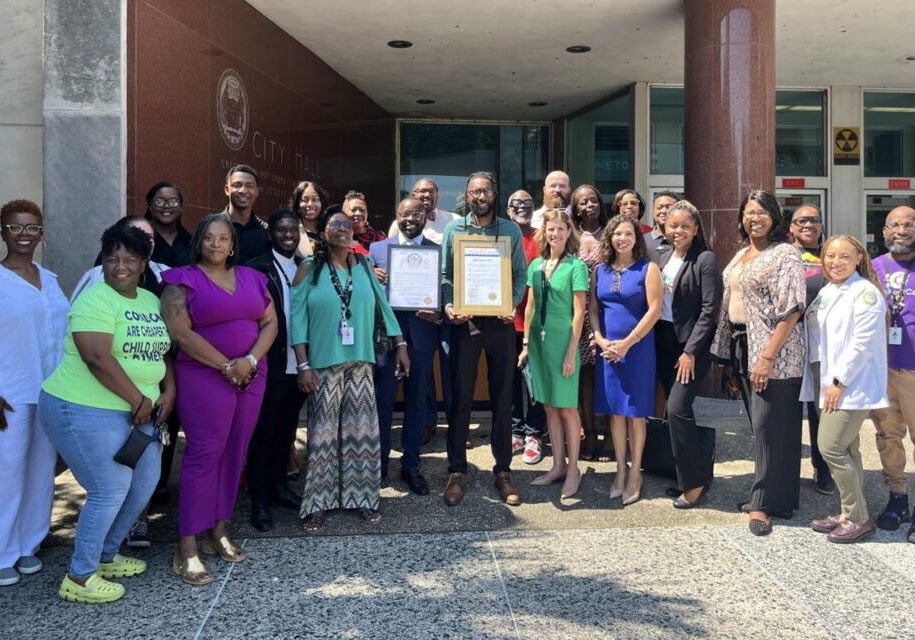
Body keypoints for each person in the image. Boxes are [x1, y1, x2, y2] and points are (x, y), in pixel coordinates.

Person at [39, 224, 173, 603]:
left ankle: (106, 555)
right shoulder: (94, 300)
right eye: (112, 259)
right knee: (109, 488)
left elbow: (160, 351)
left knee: (144, 482)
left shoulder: (148, 300)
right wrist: (138, 400)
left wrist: (169, 389)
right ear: (103, 263)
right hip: (82, 408)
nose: (120, 267)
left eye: (129, 259)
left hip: (136, 412)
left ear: (143, 263)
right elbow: (96, 357)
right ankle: (80, 576)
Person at [160, 213, 277, 585]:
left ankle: (219, 530)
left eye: (223, 238)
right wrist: (228, 365)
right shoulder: (181, 281)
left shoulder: (254, 278)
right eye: (209, 238)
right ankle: (187, 548)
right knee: (204, 455)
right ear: (199, 242)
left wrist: (250, 361)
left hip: (252, 376)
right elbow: (180, 332)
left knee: (235, 452)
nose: (215, 244)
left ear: (232, 244)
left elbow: (270, 322)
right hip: (204, 377)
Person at [291, 207, 408, 532]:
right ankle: (317, 503)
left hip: (360, 362)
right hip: (322, 365)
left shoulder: (365, 265)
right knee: (323, 436)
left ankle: (363, 498)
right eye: (334, 224)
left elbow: (384, 307)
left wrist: (401, 345)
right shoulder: (308, 268)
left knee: (362, 435)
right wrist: (302, 364)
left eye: (346, 223)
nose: (342, 228)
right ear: (324, 232)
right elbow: (297, 319)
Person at [710, 190, 807, 537]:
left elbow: (792, 309)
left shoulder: (786, 254)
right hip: (741, 345)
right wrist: (728, 359)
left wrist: (766, 357)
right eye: (750, 212)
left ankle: (763, 504)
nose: (756, 218)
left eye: (763, 212)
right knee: (765, 428)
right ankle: (779, 499)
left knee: (770, 428)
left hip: (776, 355)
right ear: (742, 218)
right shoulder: (741, 255)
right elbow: (731, 306)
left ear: (775, 217)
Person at [441, 171, 528, 507]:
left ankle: (503, 470)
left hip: (500, 324)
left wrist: (512, 302)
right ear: (467, 195)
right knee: (461, 396)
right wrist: (449, 304)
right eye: (475, 191)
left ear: (494, 193)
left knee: (503, 398)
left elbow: (519, 274)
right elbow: (447, 275)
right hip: (465, 322)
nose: (480, 196)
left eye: (486, 191)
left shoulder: (509, 230)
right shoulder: (454, 229)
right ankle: (457, 470)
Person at [0, 200, 69, 587]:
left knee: (41, 472)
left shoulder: (51, 279)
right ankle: (2, 551)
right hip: (9, 391)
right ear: (2, 232)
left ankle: (28, 544)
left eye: (32, 228)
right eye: (15, 227)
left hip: (49, 391)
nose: (24, 235)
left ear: (41, 233)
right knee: (6, 473)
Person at [803, 235, 887, 543]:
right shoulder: (828, 290)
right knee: (848, 449)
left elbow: (862, 344)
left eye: (844, 257)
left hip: (848, 384)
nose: (835, 262)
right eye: (830, 256)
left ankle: (859, 518)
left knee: (831, 447)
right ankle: (848, 512)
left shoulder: (864, 293)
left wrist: (839, 382)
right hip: (823, 378)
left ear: (858, 260)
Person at [653, 201, 721, 508]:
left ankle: (695, 483)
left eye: (684, 226)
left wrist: (691, 352)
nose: (677, 231)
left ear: (695, 229)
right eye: (672, 225)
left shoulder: (705, 259)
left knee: (679, 407)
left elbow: (709, 310)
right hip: (663, 341)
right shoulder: (663, 256)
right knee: (675, 412)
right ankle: (686, 476)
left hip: (689, 347)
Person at [591, 215, 662, 505]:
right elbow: (593, 310)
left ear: (637, 238)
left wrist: (628, 343)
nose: (623, 238)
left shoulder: (649, 268)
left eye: (628, 234)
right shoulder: (600, 270)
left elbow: (655, 310)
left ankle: (636, 473)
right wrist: (600, 340)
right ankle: (620, 469)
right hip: (607, 351)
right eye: (617, 233)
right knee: (615, 412)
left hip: (638, 351)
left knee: (635, 413)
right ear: (609, 238)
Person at [370, 198, 439, 495]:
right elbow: (364, 293)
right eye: (405, 213)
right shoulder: (377, 250)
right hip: (386, 337)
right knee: (383, 401)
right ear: (396, 216)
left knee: (417, 403)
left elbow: (445, 291)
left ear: (425, 217)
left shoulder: (436, 252)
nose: (411, 218)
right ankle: (381, 461)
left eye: (416, 214)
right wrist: (371, 277)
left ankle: (411, 465)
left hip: (422, 335)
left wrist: (438, 309)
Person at [518, 209, 589, 498]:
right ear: (543, 233)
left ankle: (574, 469)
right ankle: (557, 465)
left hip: (563, 344)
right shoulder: (535, 265)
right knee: (548, 406)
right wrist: (525, 344)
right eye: (550, 229)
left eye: (560, 229)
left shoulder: (576, 266)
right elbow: (531, 307)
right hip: (539, 345)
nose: (555, 234)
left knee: (568, 408)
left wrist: (571, 353)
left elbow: (580, 312)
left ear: (568, 232)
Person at [244, 210, 307, 532]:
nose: (287, 235)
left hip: (300, 364)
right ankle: (259, 500)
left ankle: (281, 488)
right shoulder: (256, 268)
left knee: (286, 431)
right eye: (281, 230)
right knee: (263, 434)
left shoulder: (305, 266)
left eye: (292, 230)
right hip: (271, 362)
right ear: (272, 234)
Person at [869, 205, 915, 539]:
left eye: (910, 223)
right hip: (881, 369)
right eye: (895, 224)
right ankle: (898, 498)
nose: (902, 229)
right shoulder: (872, 269)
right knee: (888, 437)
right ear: (884, 231)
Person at [790, 205, 835, 495]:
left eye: (815, 219)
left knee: (821, 412)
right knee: (788, 412)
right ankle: (785, 470)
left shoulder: (831, 257)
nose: (809, 224)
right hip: (788, 345)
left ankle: (823, 468)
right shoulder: (784, 255)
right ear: (791, 227)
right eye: (802, 220)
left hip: (824, 346)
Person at [506, 190, 546, 465]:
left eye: (526, 204)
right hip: (505, 320)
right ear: (507, 210)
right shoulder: (502, 237)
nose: (521, 207)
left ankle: (534, 434)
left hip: (536, 321)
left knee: (535, 381)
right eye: (515, 204)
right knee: (509, 379)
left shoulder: (542, 237)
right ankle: (515, 431)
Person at [570, 185, 609, 461]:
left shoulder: (610, 233)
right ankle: (589, 433)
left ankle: (608, 435)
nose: (589, 206)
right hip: (576, 314)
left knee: (605, 375)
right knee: (584, 376)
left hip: (607, 313)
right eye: (583, 202)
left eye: (593, 200)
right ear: (576, 207)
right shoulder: (570, 235)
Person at [71, 216, 170, 301]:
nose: (144, 242)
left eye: (149, 237)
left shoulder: (165, 272)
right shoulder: (94, 276)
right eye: (136, 236)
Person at [218, 164, 270, 264]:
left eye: (249, 186)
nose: (243, 191)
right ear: (227, 190)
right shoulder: (211, 227)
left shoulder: (265, 232)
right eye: (237, 185)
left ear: (256, 192)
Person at [388, 178, 458, 244]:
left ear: (437, 195)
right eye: (423, 191)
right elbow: (391, 248)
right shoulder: (399, 224)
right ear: (413, 195)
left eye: (431, 192)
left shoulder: (454, 220)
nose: (427, 195)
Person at [144, 181, 193, 268]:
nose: (166, 206)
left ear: (181, 207)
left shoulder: (192, 242)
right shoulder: (139, 238)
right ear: (150, 206)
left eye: (173, 202)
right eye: (160, 201)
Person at [289, 180, 327, 258]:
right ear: (297, 205)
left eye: (315, 200)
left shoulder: (328, 229)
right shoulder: (290, 232)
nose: (310, 204)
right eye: (305, 200)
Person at [644, 190, 679, 264]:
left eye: (669, 207)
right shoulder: (642, 241)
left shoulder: (683, 240)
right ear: (653, 212)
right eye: (659, 208)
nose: (664, 211)